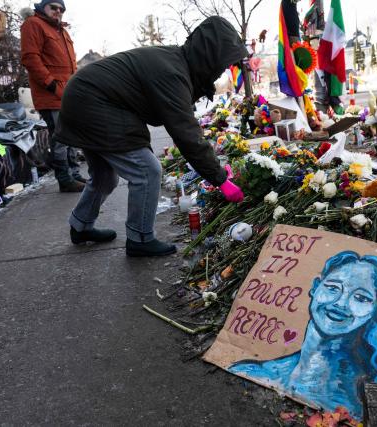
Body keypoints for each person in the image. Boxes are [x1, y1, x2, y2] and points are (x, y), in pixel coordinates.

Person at [55, 16, 246, 257]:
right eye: (220, 64)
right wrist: (220, 179)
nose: (219, 72)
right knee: (147, 171)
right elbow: (185, 132)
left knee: (104, 175)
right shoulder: (173, 72)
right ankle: (140, 238)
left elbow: (182, 120)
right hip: (94, 103)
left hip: (84, 98)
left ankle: (80, 225)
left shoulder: (177, 62)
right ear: (209, 56)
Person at [229, 251, 377, 419]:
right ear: (316, 287)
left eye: (361, 298)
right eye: (333, 288)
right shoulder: (253, 371)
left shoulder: (359, 404)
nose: (341, 303)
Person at [20, 0, 86, 193]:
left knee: (72, 136)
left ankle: (74, 174)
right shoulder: (33, 24)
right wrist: (51, 85)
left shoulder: (62, 31)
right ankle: (65, 179)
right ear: (43, 7)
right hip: (51, 94)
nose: (58, 11)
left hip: (68, 94)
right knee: (61, 137)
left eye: (61, 9)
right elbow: (30, 59)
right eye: (54, 7)